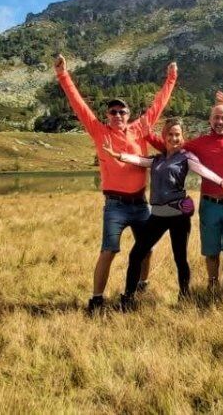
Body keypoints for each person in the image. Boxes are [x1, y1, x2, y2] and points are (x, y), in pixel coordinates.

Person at [54, 53, 177, 313]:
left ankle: (141, 285)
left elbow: (159, 104)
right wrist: (63, 75)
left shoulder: (141, 127)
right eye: (113, 111)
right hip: (115, 206)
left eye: (122, 111)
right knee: (109, 250)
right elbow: (79, 106)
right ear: (107, 115)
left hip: (140, 203)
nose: (118, 114)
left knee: (147, 248)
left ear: (129, 114)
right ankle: (96, 299)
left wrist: (171, 78)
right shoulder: (99, 131)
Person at [102, 120, 223, 308]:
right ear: (165, 137)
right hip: (157, 217)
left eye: (177, 134)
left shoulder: (186, 157)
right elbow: (139, 160)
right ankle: (128, 297)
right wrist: (118, 155)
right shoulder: (157, 159)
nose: (174, 138)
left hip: (179, 217)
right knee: (136, 254)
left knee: (180, 258)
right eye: (170, 134)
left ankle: (184, 296)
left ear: (182, 137)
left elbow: (204, 171)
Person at [147, 93, 223, 293]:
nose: (220, 121)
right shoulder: (199, 143)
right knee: (211, 253)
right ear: (210, 120)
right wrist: (147, 134)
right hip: (209, 206)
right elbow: (171, 146)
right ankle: (212, 285)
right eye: (216, 118)